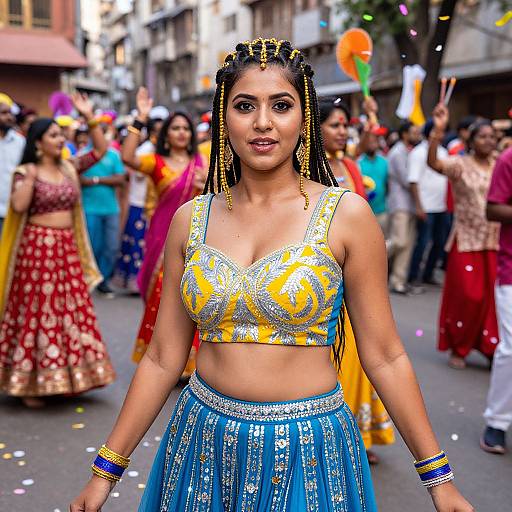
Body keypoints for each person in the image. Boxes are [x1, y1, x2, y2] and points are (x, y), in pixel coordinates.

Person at [71, 38, 473, 512]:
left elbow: (384, 356)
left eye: (281, 105)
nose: (263, 122)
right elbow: (162, 358)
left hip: (310, 453)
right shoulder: (191, 219)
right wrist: (105, 474)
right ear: (224, 118)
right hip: (202, 444)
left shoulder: (346, 215)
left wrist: (439, 480)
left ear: (303, 119)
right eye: (245, 106)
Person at [0, 94, 116, 408]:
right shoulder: (26, 172)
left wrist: (90, 117)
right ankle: (31, 385)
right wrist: (31, 175)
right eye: (53, 135)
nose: (60, 140)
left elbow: (101, 150)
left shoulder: (68, 166)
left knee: (69, 311)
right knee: (38, 313)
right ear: (38, 142)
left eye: (60, 135)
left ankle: (70, 377)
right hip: (36, 250)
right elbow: (19, 206)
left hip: (66, 250)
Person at [319, 96, 394, 464]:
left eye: (344, 125)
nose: (341, 131)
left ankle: (356, 434)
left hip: (357, 272)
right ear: (314, 129)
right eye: (334, 125)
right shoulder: (306, 171)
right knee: (331, 358)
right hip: (322, 278)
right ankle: (331, 436)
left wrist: (373, 116)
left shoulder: (349, 164)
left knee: (365, 354)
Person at [121, 90, 207, 378]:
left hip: (198, 235)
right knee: (162, 291)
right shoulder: (155, 162)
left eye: (186, 128)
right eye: (175, 128)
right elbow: (127, 157)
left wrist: (207, 183)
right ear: (166, 134)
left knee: (195, 292)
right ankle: (164, 359)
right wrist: (140, 120)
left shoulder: (202, 162)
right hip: (162, 235)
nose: (181, 133)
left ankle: (191, 363)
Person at [428, 103, 500, 369]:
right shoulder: (460, 165)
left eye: (492, 136)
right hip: (466, 239)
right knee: (469, 297)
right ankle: (459, 347)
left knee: (494, 298)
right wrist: (438, 131)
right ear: (471, 140)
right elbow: (434, 163)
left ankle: (491, 346)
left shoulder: (500, 165)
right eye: (483, 136)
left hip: (495, 240)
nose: (488, 141)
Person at [481, 146, 512, 453]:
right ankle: (498, 421)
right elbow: (493, 209)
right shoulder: (508, 159)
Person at [112, 118, 163, 293]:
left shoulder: (159, 151)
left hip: (153, 202)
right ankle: (137, 281)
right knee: (138, 244)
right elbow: (138, 174)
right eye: (157, 130)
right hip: (140, 201)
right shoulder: (146, 151)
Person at [80, 135, 126, 298]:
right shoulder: (84, 155)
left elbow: (120, 179)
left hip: (111, 209)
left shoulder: (113, 155)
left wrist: (94, 180)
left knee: (112, 247)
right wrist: (107, 180)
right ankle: (91, 279)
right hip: (89, 209)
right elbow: (79, 179)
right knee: (93, 247)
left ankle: (103, 280)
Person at [408, 121, 450, 286]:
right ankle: (413, 276)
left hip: (442, 206)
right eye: (436, 130)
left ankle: (428, 274)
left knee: (440, 242)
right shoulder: (418, 153)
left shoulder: (444, 152)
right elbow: (413, 181)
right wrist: (419, 206)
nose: (440, 134)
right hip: (426, 206)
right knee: (423, 242)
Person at [387, 121, 422, 294]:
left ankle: (398, 282)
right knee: (399, 241)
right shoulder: (397, 153)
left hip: (412, 205)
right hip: (400, 203)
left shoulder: (412, 152)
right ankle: (368, 255)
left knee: (407, 245)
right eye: (414, 132)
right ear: (404, 134)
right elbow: (407, 179)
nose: (417, 135)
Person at [0, 93, 25, 235]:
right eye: (4, 113)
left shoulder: (20, 142)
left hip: (12, 212)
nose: (10, 117)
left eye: (10, 112)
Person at [358, 130, 389, 234]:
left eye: (374, 141)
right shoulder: (358, 163)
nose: (372, 144)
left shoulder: (384, 161)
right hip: (364, 213)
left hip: (382, 211)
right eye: (369, 141)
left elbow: (388, 184)